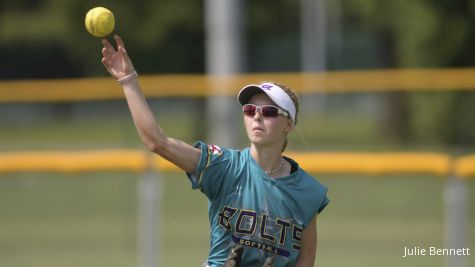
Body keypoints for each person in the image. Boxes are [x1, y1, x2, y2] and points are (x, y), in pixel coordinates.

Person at [101, 35, 329, 267]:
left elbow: (306, 259)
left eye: (269, 111)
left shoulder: (307, 191)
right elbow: (158, 142)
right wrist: (128, 81)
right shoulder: (225, 166)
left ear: (288, 125)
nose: (257, 116)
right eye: (250, 110)